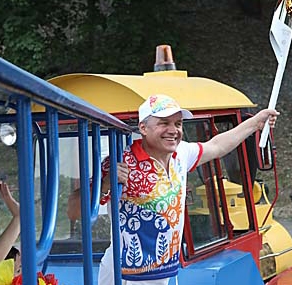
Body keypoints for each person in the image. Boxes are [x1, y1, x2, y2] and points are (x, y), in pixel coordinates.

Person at [97, 93, 278, 285]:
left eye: (178, 124)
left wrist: (256, 123)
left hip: (164, 275)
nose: (173, 130)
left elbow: (216, 146)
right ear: (143, 127)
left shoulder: (181, 153)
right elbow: (75, 207)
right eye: (164, 123)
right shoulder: (120, 162)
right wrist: (106, 183)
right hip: (125, 277)